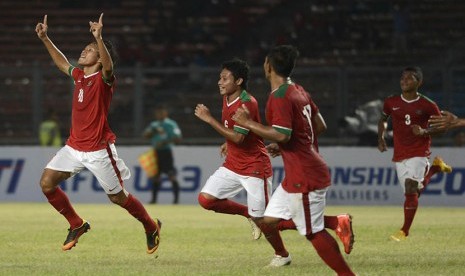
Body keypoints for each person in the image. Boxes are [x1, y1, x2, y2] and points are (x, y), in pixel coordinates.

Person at [35, 14, 161, 254]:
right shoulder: (80, 77)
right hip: (74, 147)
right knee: (47, 183)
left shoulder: (105, 79)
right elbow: (63, 63)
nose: (84, 51)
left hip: (98, 149)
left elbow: (109, 66)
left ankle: (150, 226)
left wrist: (99, 38)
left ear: (101, 59)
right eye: (86, 47)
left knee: (118, 198)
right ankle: (76, 224)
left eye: (90, 50)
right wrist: (45, 39)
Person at [232, 45, 354, 274]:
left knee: (313, 232)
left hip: (305, 173)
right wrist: (285, 144)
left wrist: (248, 123)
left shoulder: (279, 97)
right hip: (299, 171)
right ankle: (336, 222)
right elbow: (319, 126)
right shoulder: (298, 90)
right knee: (267, 221)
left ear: (268, 66)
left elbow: (282, 133)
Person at [194, 58, 288, 260]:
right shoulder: (227, 96)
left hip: (255, 167)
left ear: (238, 81)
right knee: (206, 199)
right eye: (220, 77)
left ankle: (283, 254)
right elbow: (236, 132)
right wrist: (228, 143)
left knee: (267, 221)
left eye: (225, 78)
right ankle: (249, 214)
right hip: (233, 164)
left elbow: (239, 136)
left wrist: (210, 119)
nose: (220, 82)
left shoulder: (247, 103)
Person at [377, 66, 452, 242]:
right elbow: (383, 119)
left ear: (419, 82)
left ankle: (404, 231)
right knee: (413, 193)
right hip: (400, 153)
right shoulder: (391, 101)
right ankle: (434, 169)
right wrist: (381, 137)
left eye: (409, 78)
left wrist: (425, 132)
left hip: (419, 151)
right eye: (402, 78)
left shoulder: (428, 105)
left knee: (411, 187)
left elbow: (442, 127)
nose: (404, 81)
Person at [143, 105, 182, 204]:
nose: (159, 114)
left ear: (165, 113)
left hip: (166, 152)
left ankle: (176, 200)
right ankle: (154, 200)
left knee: (171, 175)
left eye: (161, 112)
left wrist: (165, 142)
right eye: (157, 112)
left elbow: (178, 138)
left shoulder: (171, 124)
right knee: (155, 176)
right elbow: (145, 135)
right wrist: (152, 131)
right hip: (156, 152)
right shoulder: (154, 125)